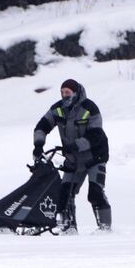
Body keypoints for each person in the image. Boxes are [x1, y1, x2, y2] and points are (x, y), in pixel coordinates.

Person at [33, 78, 111, 233]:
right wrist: (38, 145)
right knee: (65, 193)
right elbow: (42, 126)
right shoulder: (58, 109)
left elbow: (96, 136)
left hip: (95, 158)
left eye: (67, 92)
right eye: (62, 92)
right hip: (73, 160)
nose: (64, 95)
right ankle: (69, 227)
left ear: (75, 93)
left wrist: (75, 145)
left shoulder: (89, 108)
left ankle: (105, 228)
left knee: (95, 193)